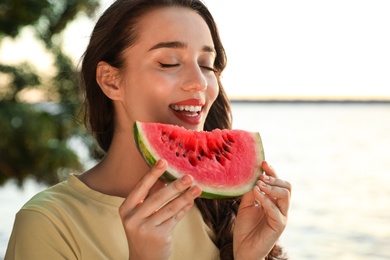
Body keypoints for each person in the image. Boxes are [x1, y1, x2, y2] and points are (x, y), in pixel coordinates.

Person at [5, 0, 292, 259]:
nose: (200, 83)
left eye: (207, 65)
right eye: (169, 63)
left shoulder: (223, 210)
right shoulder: (49, 222)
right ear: (111, 81)